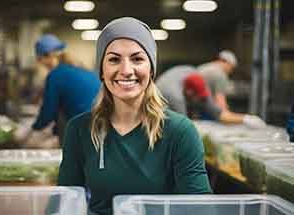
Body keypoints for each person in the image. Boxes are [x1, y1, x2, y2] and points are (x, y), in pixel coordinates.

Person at [58, 17, 212, 215]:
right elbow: (65, 203)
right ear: (102, 71)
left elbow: (199, 208)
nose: (126, 70)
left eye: (137, 59)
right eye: (114, 59)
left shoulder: (180, 131)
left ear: (151, 68)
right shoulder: (79, 129)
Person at [15, 34, 101, 143]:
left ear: (48, 56)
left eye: (40, 60)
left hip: (86, 131)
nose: (41, 64)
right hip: (101, 128)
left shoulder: (56, 75)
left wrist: (30, 131)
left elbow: (48, 112)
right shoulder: (82, 69)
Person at [183, 73, 266, 128]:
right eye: (198, 96)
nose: (200, 99)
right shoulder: (177, 97)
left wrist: (245, 118)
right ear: (189, 92)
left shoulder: (202, 94)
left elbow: (220, 114)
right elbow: (183, 126)